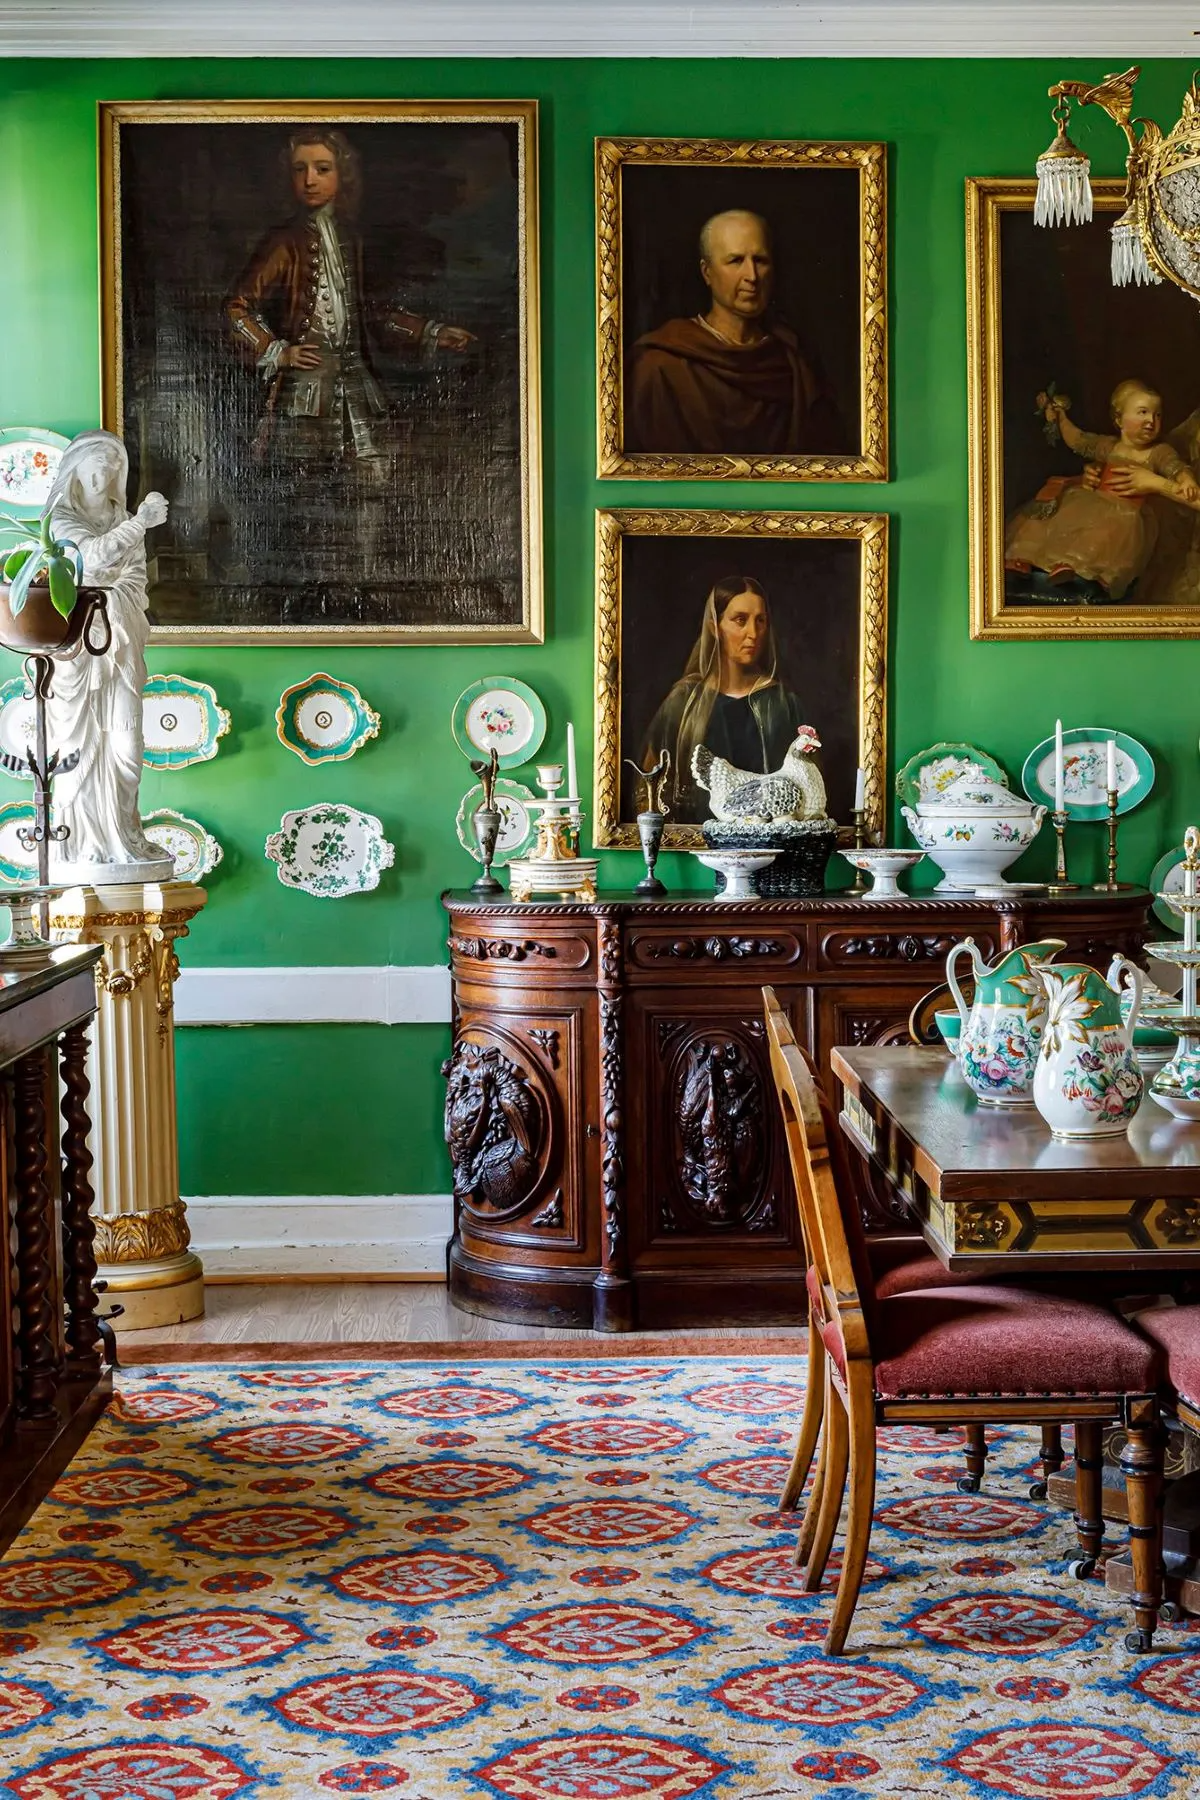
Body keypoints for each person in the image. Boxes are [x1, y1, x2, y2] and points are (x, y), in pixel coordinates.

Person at [223, 129, 474, 580]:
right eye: (300, 170)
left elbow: (372, 314)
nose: (310, 179)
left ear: (343, 174)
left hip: (356, 387)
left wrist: (431, 332)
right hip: (303, 392)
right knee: (302, 491)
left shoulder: (351, 239)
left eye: (322, 168)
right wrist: (278, 351)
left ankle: (361, 581)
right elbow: (236, 309)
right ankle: (305, 587)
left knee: (370, 482)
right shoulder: (284, 240)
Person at [44, 430, 174, 883]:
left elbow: (135, 580)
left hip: (119, 644)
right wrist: (141, 524)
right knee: (78, 745)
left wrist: (112, 599)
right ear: (76, 471)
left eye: (112, 469)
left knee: (127, 746)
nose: (104, 478)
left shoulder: (121, 517)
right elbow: (89, 559)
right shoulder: (59, 519)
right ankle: (82, 842)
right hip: (77, 654)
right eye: (96, 468)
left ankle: (125, 834)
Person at [626, 210, 842, 456]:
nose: (752, 276)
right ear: (707, 273)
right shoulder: (658, 366)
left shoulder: (793, 362)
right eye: (736, 261)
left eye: (760, 261)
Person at [1005, 379, 1200, 602]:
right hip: (1094, 500)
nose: (1151, 421)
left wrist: (1187, 481)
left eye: (1157, 415)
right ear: (1119, 419)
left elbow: (1176, 467)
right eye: (1143, 412)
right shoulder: (1109, 446)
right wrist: (1061, 417)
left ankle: (1075, 569)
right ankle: (1023, 559)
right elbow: (1078, 440)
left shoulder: (1158, 451)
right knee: (1056, 520)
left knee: (1105, 537)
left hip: (1127, 513)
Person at [641, 576, 808, 823]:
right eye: (740, 620)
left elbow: (806, 785)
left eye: (760, 621)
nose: (753, 633)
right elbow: (648, 785)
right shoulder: (684, 702)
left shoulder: (784, 703)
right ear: (714, 627)